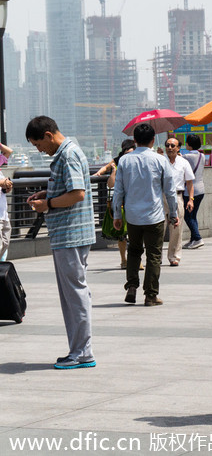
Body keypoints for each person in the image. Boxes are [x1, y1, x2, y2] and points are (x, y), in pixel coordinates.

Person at [26, 116, 96, 369]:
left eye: (38, 144)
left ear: (48, 135)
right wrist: (49, 193)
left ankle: (82, 353)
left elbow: (77, 194)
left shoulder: (68, 155)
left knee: (75, 295)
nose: (39, 150)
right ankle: (78, 350)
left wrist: (48, 203)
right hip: (69, 234)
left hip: (70, 234)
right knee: (73, 294)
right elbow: (71, 189)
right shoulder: (68, 153)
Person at [112, 123, 179, 307]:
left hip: (133, 216)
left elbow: (118, 190)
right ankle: (150, 295)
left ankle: (132, 286)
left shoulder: (125, 161)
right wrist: (173, 214)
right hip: (154, 216)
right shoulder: (160, 160)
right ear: (153, 140)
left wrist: (117, 214)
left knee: (134, 251)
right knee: (154, 255)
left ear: (134, 140)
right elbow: (170, 191)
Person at [96, 139, 136, 268]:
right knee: (122, 234)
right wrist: (103, 172)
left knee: (135, 233)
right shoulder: (117, 162)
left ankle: (137, 260)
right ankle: (124, 260)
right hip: (121, 203)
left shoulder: (137, 162)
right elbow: (110, 183)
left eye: (131, 152)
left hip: (134, 201)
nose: (129, 155)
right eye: (127, 152)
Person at [163, 137, 195, 267]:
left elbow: (189, 183)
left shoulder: (183, 162)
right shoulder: (160, 161)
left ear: (178, 148)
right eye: (167, 145)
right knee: (158, 228)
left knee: (176, 228)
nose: (170, 148)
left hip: (177, 196)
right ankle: (155, 256)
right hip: (161, 197)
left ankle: (174, 256)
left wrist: (191, 199)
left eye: (172, 145)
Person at [182, 134, 206, 248]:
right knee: (193, 215)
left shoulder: (186, 157)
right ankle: (192, 240)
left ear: (189, 144)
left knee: (188, 216)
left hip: (190, 191)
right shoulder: (202, 155)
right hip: (201, 189)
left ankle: (197, 238)